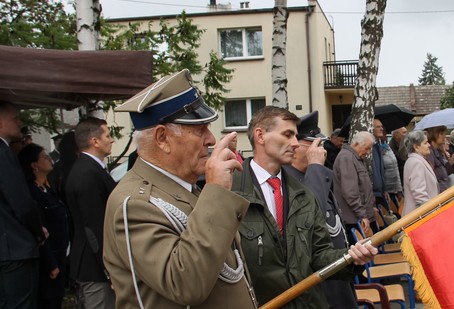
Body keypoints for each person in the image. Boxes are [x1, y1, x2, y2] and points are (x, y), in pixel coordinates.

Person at [103, 69, 257, 308]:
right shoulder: (134, 203)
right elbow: (186, 283)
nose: (211, 140)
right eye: (199, 130)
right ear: (162, 138)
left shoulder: (186, 188)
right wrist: (216, 191)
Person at [236, 106, 377, 308]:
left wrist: (350, 258)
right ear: (260, 135)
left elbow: (319, 254)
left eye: (295, 136)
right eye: (287, 134)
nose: (295, 143)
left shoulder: (302, 191)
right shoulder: (232, 190)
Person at [281, 111, 358, 308]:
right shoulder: (288, 181)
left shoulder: (315, 174)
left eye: (321, 144)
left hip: (337, 279)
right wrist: (315, 168)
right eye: (313, 144)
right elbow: (308, 217)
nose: (321, 151)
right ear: (296, 147)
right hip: (320, 286)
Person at [65, 117, 117, 308]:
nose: (111, 140)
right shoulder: (87, 174)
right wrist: (109, 269)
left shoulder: (91, 169)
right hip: (94, 268)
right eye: (108, 135)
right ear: (95, 141)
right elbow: (94, 227)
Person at [0, 101, 47, 309]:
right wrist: (37, 232)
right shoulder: (2, 152)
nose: (20, 122)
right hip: (14, 247)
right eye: (15, 118)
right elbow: (20, 201)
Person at [18, 143, 70, 308]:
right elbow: (39, 229)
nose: (49, 159)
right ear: (34, 165)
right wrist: (51, 263)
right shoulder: (32, 193)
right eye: (44, 157)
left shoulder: (47, 189)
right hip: (49, 261)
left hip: (60, 255)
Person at [333, 131, 377, 245]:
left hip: (358, 216)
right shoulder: (346, 158)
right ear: (357, 144)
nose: (368, 153)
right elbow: (350, 192)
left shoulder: (353, 157)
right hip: (354, 219)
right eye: (366, 148)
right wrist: (362, 214)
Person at [402, 131, 439, 216]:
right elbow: (419, 194)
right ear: (416, 147)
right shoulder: (416, 163)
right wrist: (431, 214)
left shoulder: (415, 161)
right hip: (420, 217)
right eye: (425, 143)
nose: (429, 145)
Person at [425, 125, 454, 193]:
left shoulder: (438, 151)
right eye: (441, 134)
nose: (444, 136)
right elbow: (431, 176)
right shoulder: (430, 152)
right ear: (434, 134)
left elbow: (443, 172)